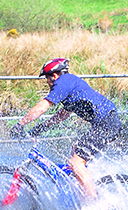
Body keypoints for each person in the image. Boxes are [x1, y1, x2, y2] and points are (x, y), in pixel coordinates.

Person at [10, 58, 121, 200]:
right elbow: (63, 115)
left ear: (54, 75)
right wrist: (38, 129)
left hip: (106, 123)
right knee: (76, 149)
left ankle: (93, 202)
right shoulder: (69, 83)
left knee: (76, 162)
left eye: (47, 79)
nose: (48, 83)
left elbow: (43, 106)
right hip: (107, 122)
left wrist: (20, 124)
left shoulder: (62, 82)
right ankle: (84, 186)